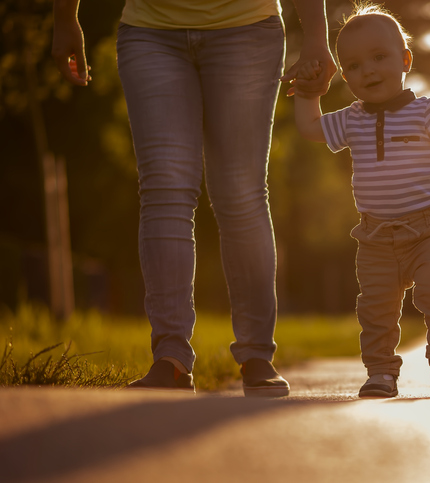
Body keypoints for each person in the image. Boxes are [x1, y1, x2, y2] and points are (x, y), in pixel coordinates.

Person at [52, 0, 336, 396]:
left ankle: (257, 354)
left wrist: (317, 36)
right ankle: (170, 358)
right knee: (164, 190)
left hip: (247, 27)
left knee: (241, 191)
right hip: (150, 28)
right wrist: (65, 17)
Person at [293, 4, 430, 398]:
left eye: (379, 58)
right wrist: (306, 91)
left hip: (429, 228)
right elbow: (309, 127)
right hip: (375, 237)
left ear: (405, 60)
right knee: (376, 309)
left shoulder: (426, 112)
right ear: (345, 75)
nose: (366, 70)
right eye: (352, 65)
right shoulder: (351, 118)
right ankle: (381, 372)